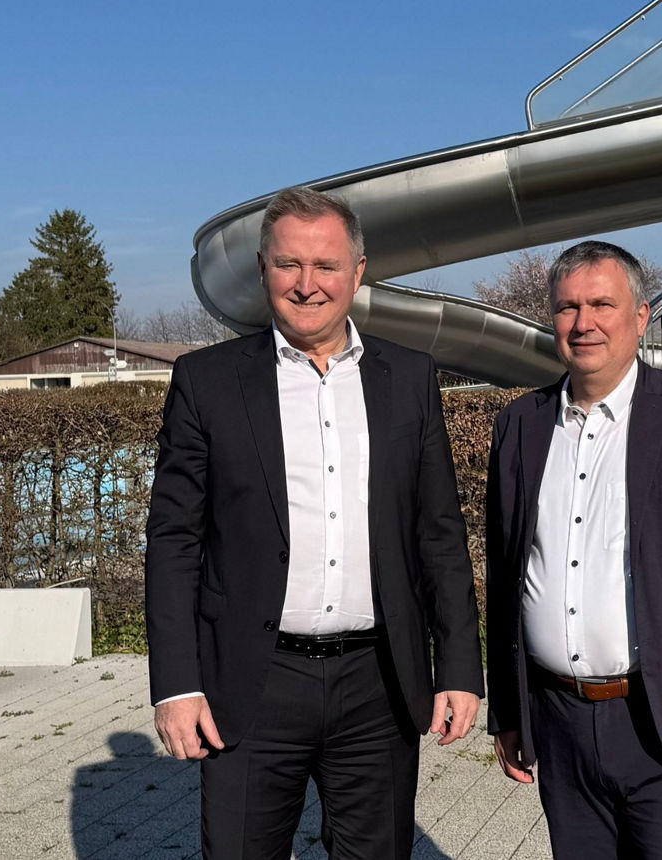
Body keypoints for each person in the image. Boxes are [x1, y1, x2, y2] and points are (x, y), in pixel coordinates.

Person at [145, 186, 484, 860]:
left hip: (379, 684)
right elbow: (174, 541)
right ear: (263, 270)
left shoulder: (409, 378)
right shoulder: (207, 382)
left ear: (358, 273)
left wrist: (460, 668)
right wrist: (178, 685)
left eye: (326, 265)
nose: (307, 285)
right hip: (252, 680)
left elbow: (438, 534)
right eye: (288, 265)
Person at [485, 241, 662, 859]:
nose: (583, 323)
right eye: (567, 307)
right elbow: (508, 573)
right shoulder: (520, 425)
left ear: (640, 317)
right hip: (558, 725)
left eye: (601, 304)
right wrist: (508, 712)